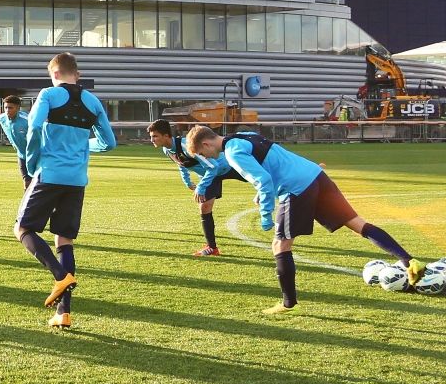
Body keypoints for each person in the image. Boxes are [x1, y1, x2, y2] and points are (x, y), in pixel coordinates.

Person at [182, 124, 425, 313]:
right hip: (316, 175)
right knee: (357, 223)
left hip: (297, 188)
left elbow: (264, 180)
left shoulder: (232, 152)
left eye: (204, 153)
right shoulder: (244, 135)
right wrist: (261, 193)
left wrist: (266, 213)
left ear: (206, 143)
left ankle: (288, 303)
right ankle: (409, 261)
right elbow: (270, 163)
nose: (209, 158)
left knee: (280, 245)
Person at [17, 53, 118, 329]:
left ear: (56, 74)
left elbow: (34, 127)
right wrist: (86, 147)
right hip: (77, 179)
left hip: (50, 173)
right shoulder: (93, 101)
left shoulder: (48, 94)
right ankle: (63, 312)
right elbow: (109, 143)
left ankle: (60, 276)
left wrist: (32, 161)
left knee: (23, 229)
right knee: (64, 241)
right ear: (78, 74)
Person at [146, 116, 244, 256]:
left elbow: (213, 166)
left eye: (155, 136)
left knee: (261, 181)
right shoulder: (166, 150)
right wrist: (187, 181)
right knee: (204, 207)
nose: (152, 140)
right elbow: (181, 164)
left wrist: (201, 187)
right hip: (212, 176)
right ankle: (212, 248)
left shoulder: (187, 145)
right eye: (151, 136)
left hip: (229, 166)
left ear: (166, 136)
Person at [0, 93, 31, 186]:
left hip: (35, 155)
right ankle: (27, 200)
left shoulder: (27, 120)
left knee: (38, 183)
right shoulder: (1, 118)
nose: (7, 110)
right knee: (27, 182)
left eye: (10, 108)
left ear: (18, 108)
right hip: (21, 155)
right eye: (6, 108)